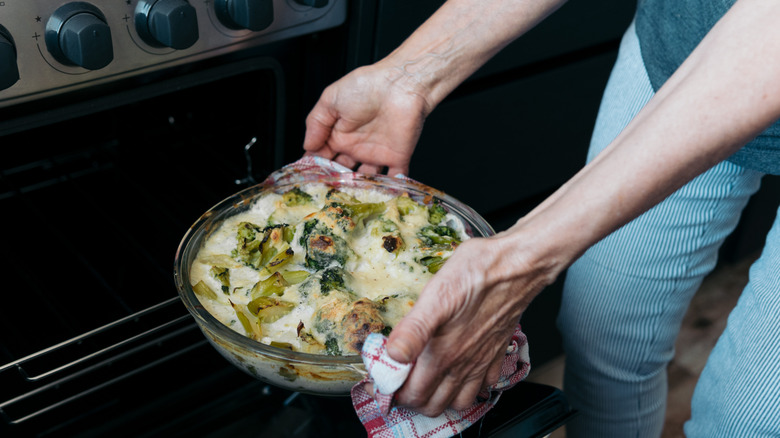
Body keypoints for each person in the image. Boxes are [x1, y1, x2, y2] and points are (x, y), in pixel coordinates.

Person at [303, 0, 780, 436]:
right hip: (681, 35)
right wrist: (409, 77)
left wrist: (522, 258)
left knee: (743, 421)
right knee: (603, 338)